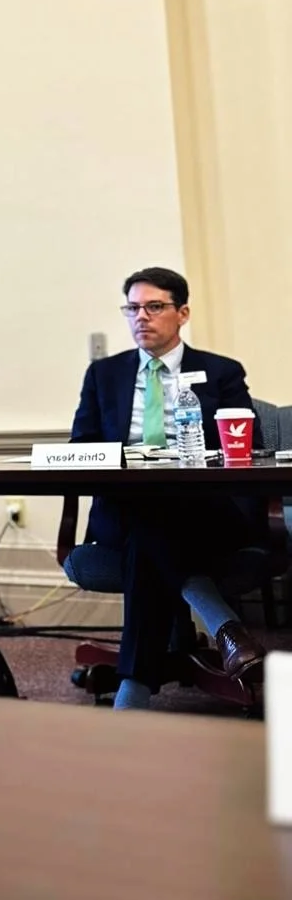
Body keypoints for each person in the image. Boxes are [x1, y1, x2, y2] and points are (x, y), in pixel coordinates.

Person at [66, 266, 267, 709]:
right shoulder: (104, 375)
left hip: (204, 511)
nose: (142, 317)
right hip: (124, 508)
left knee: (151, 529)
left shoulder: (220, 372)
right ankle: (225, 626)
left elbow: (245, 445)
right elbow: (81, 446)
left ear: (183, 313)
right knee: (146, 516)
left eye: (155, 306)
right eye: (132, 308)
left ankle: (134, 687)